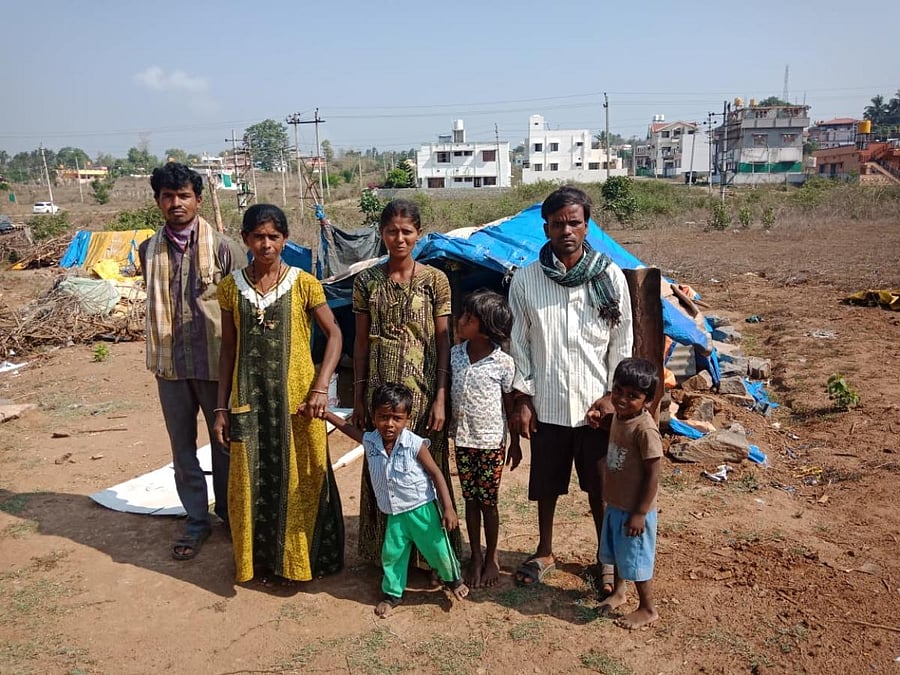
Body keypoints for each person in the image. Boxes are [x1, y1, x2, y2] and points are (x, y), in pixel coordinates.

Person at [508, 185, 633, 591]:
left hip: (596, 409)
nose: (567, 230)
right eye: (558, 223)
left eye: (574, 222)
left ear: (587, 226)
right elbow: (520, 343)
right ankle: (545, 550)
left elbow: (622, 339)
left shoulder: (608, 275)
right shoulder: (527, 279)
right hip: (547, 404)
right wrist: (523, 398)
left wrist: (613, 396)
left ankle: (605, 557)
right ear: (545, 228)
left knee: (600, 487)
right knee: (546, 484)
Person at [213, 204, 344, 584]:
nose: (266, 244)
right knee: (251, 478)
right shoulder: (230, 288)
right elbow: (228, 350)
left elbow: (334, 334)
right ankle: (259, 562)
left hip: (298, 402)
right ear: (245, 240)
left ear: (285, 239)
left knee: (301, 476)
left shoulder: (304, 283)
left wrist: (321, 386)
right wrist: (222, 407)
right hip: (250, 402)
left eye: (273, 236)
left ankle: (302, 561)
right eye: (258, 236)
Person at [140, 162, 245, 561]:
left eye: (184, 195)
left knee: (224, 441)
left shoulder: (222, 247)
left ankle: (231, 517)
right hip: (169, 365)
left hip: (216, 365)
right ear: (158, 202)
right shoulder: (148, 250)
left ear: (198, 200)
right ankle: (196, 520)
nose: (176, 203)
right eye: (168, 196)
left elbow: (239, 307)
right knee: (181, 446)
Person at [351, 199, 461, 566]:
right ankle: (386, 558)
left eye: (407, 231)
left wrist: (441, 396)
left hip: (424, 392)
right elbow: (361, 341)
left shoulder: (435, 281)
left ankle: (433, 560)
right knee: (383, 468)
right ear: (381, 234)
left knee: (427, 468)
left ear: (419, 234)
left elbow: (444, 341)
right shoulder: (367, 281)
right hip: (379, 392)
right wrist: (359, 397)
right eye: (391, 231)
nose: (399, 238)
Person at [314, 383, 469, 616]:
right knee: (392, 555)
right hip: (394, 514)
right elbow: (347, 428)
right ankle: (392, 594)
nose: (389, 424)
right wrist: (325, 414)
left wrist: (448, 508)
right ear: (373, 416)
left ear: (407, 419)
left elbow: (436, 473)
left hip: (422, 510)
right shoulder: (371, 441)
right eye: (383, 417)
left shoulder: (415, 444)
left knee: (438, 549)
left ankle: (454, 580)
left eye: (396, 418)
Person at [450, 290, 521, 588]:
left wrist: (515, 442)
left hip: (491, 443)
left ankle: (492, 556)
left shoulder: (503, 363)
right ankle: (475, 556)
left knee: (488, 502)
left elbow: (509, 405)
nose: (461, 320)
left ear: (485, 327)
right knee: (470, 499)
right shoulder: (454, 355)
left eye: (468, 318)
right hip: (463, 441)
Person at [588, 358, 661, 628]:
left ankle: (647, 607)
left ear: (648, 401)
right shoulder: (622, 416)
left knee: (636, 559)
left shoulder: (646, 429)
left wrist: (640, 513)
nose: (622, 399)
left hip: (634, 510)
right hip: (617, 503)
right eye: (618, 390)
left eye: (633, 396)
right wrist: (601, 422)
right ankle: (619, 591)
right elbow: (619, 432)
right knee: (618, 551)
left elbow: (653, 472)